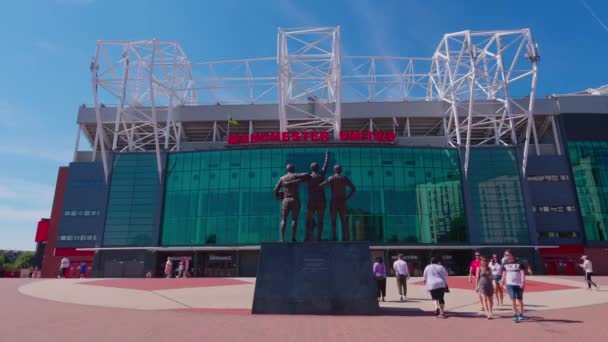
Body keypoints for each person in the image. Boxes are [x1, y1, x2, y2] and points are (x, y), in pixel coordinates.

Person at [319, 165, 356, 241]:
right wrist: (347, 198)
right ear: (341, 170)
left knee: (333, 220)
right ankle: (345, 237)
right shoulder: (344, 178)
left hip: (334, 202)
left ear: (334, 170)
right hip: (342, 201)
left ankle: (334, 237)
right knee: (343, 221)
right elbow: (353, 189)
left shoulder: (331, 178)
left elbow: (321, 185)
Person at [274, 164, 309, 242]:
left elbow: (275, 189)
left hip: (285, 200)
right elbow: (306, 174)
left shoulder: (282, 178)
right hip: (295, 200)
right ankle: (293, 238)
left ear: (287, 169)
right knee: (294, 219)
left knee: (283, 219)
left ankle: (282, 239)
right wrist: (297, 180)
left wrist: (277, 198)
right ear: (293, 169)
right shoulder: (295, 175)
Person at [501, 249, 526, 322]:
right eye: (505, 255)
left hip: (518, 284)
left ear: (511, 255)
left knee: (520, 300)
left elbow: (522, 273)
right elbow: (504, 273)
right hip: (509, 284)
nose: (505, 256)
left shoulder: (519, 262)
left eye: (507, 255)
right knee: (513, 300)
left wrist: (522, 282)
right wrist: (502, 280)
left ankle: (521, 314)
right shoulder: (505, 263)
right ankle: (515, 314)